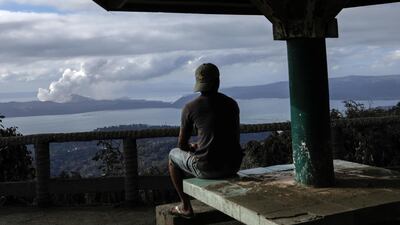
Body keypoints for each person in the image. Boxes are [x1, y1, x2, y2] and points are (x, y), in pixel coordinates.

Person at [168, 63, 243, 218]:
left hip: (207, 169)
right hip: (233, 165)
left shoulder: (190, 107)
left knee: (172, 155)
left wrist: (192, 147)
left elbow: (181, 145)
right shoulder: (232, 104)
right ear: (218, 81)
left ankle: (186, 206)